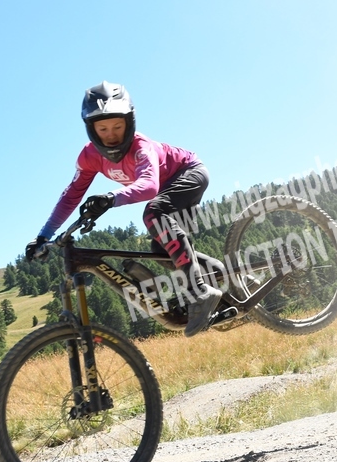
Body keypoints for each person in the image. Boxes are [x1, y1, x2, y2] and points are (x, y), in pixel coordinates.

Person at [25, 81, 221, 337]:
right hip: (166, 189)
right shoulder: (89, 156)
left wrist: (110, 198)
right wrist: (43, 236)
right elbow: (71, 195)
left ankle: (200, 292)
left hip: (189, 172)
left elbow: (149, 186)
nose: (111, 134)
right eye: (103, 128)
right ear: (92, 130)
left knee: (154, 213)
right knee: (163, 251)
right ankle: (225, 275)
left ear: (130, 123)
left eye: (117, 126)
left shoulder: (141, 147)